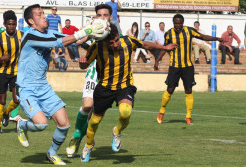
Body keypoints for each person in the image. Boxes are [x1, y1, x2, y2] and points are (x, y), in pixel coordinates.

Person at [15, 4, 107, 165]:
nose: (44, 16)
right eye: (39, 14)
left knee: (64, 124)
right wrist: (85, 31)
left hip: (43, 87)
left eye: (43, 13)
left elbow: (73, 41)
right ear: (30, 21)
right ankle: (21, 125)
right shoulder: (30, 36)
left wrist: (92, 30)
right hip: (27, 88)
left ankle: (51, 153)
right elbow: (60, 43)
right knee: (41, 123)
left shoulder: (50, 33)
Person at [79, 23, 177, 162]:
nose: (114, 44)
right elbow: (84, 64)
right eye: (111, 43)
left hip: (124, 86)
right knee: (94, 121)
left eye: (116, 41)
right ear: (105, 41)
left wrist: (164, 47)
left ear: (119, 37)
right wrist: (82, 62)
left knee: (125, 113)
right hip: (104, 88)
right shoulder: (97, 47)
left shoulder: (128, 41)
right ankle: (88, 146)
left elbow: (146, 45)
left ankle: (117, 132)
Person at [154, 14, 223, 125]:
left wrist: (217, 38)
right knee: (170, 89)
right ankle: (161, 112)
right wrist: (157, 60)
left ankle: (188, 116)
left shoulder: (189, 31)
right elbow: (164, 47)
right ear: (173, 23)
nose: (178, 25)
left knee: (188, 90)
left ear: (183, 22)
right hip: (174, 66)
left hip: (188, 66)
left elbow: (203, 37)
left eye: (180, 23)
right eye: (176, 23)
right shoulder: (169, 33)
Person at [66, 4, 113, 158]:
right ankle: (77, 135)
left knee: (95, 116)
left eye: (105, 15)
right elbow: (77, 42)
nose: (102, 18)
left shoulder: (114, 33)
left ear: (111, 17)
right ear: (95, 17)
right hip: (94, 72)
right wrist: (87, 31)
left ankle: (83, 140)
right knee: (87, 105)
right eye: (99, 15)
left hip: (110, 75)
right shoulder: (93, 29)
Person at [0, 10, 23, 133]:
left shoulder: (21, 35)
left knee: (17, 99)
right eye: (9, 24)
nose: (11, 27)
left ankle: (7, 113)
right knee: (2, 99)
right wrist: (0, 58)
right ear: (5, 24)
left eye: (14, 24)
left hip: (16, 72)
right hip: (1, 72)